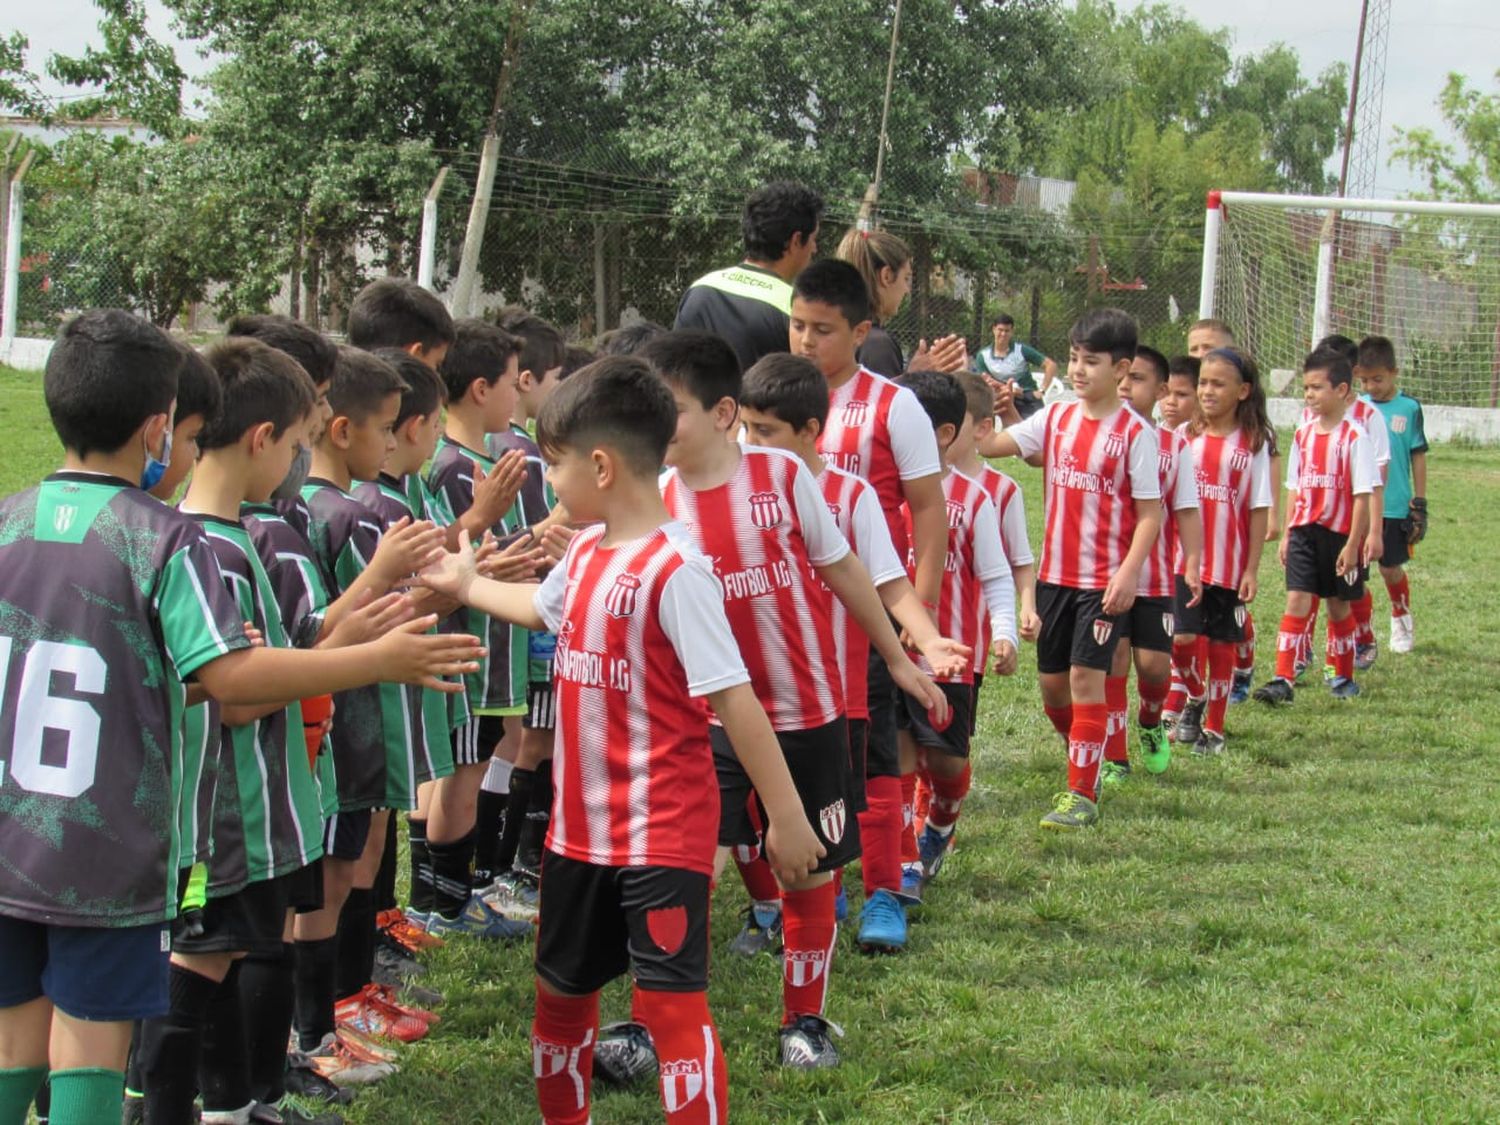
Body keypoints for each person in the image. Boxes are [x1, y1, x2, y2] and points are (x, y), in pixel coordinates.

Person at [0, 309, 479, 1125]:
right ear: (159, 429)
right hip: (109, 852)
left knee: (14, 1042)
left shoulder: (9, 520)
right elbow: (232, 678)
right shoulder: (161, 538)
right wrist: (376, 658)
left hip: (12, 839)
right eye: (185, 436)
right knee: (90, 1047)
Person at [416, 354, 826, 1124]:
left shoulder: (679, 572)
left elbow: (735, 702)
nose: (549, 481)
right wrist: (466, 584)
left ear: (600, 466)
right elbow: (542, 608)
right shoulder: (586, 554)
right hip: (577, 837)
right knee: (559, 1004)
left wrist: (789, 815)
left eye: (554, 464)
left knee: (673, 1013)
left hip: (661, 836)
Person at [650, 330, 948, 1067]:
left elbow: (844, 569)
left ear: (721, 414)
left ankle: (803, 1022)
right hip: (707, 715)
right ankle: (657, 1026)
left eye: (671, 410)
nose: (654, 426)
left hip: (805, 710)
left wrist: (898, 660)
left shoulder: (783, 477)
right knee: (689, 860)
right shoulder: (655, 496)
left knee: (808, 868)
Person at [131, 338, 338, 1125]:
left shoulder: (230, 534)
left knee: (216, 960)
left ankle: (223, 1108)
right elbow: (238, 697)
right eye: (294, 446)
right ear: (262, 441)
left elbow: (274, 656)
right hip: (220, 814)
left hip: (248, 812)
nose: (296, 463)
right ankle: (155, 1109)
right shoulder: (203, 546)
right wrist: (364, 658)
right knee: (194, 967)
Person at [738, 353, 971, 953]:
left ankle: (886, 895)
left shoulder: (849, 494)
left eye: (765, 432)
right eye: (745, 428)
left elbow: (888, 580)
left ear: (811, 431)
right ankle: (804, 893)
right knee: (779, 789)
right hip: (772, 678)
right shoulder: (736, 491)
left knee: (875, 779)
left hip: (852, 669)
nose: (750, 442)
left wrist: (921, 640)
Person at [788, 260, 948, 906]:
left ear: (860, 332)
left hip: (867, 615)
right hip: (790, 615)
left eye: (821, 329)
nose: (804, 341)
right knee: (806, 748)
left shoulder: (893, 405)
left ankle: (885, 887)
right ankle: (825, 875)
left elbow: (928, 507)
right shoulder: (771, 400)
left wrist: (923, 611)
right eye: (796, 325)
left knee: (875, 750)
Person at [987, 309, 1163, 829]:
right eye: (1075, 359)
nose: (1079, 370)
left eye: (1092, 361)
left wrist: (1129, 573)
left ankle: (1080, 795)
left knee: (1088, 678)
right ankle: (1087, 752)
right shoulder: (1057, 417)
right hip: (1054, 580)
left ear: (1122, 369)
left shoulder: (1135, 434)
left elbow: (1150, 514)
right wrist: (981, 413)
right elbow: (998, 446)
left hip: (1102, 583)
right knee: (1053, 691)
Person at [421, 321, 536, 940]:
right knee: (460, 774)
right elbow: (443, 559)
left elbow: (497, 549)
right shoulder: (449, 468)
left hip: (497, 648)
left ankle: (455, 895)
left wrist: (538, 546)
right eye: (508, 382)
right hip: (465, 649)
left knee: (477, 760)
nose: (517, 396)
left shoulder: (493, 459)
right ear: (478, 388)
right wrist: (491, 556)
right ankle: (445, 902)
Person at [892, 371, 1017, 897]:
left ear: (942, 435)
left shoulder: (972, 499)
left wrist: (1005, 629)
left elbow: (995, 573)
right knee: (895, 758)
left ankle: (938, 829)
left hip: (951, 658)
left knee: (944, 760)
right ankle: (900, 863)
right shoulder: (876, 493)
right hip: (885, 654)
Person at [479, 308, 572, 915]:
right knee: (524, 741)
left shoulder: (500, 447)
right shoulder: (519, 454)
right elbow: (531, 538)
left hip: (520, 616)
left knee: (517, 741)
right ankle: (500, 866)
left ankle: (500, 865)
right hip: (523, 622)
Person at [1255, 347, 1377, 705]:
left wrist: (1354, 544)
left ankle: (1342, 676)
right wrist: (1289, 533)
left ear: (1341, 390)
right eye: (1306, 388)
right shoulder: (1303, 434)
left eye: (1317, 388)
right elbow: (1295, 485)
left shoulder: (1356, 438)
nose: (1309, 395)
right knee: (1296, 600)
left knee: (1338, 607)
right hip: (1305, 533)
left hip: (1339, 537)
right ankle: (1283, 678)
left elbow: (1362, 496)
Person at [1166, 349, 1272, 754]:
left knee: (1221, 643)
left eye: (1218, 384)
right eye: (1203, 383)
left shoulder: (1253, 444)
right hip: (1181, 559)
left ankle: (1215, 728)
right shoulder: (1183, 438)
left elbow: (1258, 507)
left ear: (1243, 391)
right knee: (1182, 638)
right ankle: (1195, 695)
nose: (1207, 391)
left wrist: (1251, 568)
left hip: (1227, 564)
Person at [1102, 346, 1202, 777]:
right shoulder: (1101, 435)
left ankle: (1150, 720)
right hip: (1105, 576)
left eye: (1138, 379)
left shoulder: (1172, 448)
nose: (1125, 386)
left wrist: (1193, 561)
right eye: (1122, 377)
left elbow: (1186, 511)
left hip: (1156, 579)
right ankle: (1114, 755)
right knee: (1114, 662)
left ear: (1161, 391)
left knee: (1154, 667)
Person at [674, 181, 823, 372]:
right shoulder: (796, 306)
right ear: (795, 241)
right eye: (813, 239)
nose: (814, 248)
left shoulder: (699, 289)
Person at [1356, 335, 1427, 653]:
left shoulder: (1409, 408)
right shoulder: (1356, 408)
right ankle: (1361, 629)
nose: (1372, 386)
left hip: (1396, 504)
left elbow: (1418, 454)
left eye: (1379, 379)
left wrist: (1420, 502)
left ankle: (1401, 617)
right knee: (1354, 572)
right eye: (1366, 379)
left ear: (1394, 372)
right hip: (1361, 504)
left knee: (1389, 568)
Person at [834, 226, 966, 378]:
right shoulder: (876, 345)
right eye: (906, 278)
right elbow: (882, 400)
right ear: (887, 276)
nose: (907, 289)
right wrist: (912, 379)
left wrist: (909, 376)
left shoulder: (839, 332)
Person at [973, 315, 1057, 419]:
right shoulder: (983, 355)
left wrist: (1041, 391)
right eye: (1000, 330)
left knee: (1037, 426)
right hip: (1001, 397)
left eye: (1007, 331)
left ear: (1012, 331)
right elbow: (986, 382)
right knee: (981, 415)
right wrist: (1006, 390)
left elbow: (1051, 365)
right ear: (994, 329)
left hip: (1026, 396)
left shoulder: (1021, 350)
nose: (1003, 334)